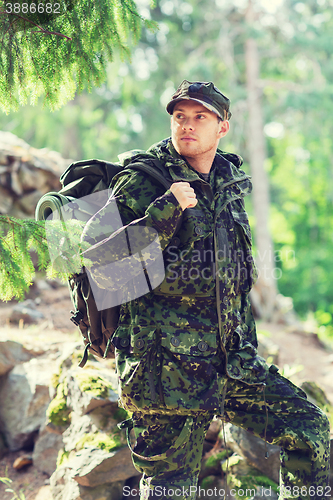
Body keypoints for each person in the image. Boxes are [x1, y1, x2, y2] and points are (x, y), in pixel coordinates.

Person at [82, 81, 330, 500]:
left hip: (232, 367)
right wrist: (165, 210)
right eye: (180, 116)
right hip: (165, 375)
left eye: (200, 117)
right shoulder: (143, 181)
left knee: (310, 430)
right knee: (170, 490)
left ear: (223, 128)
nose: (188, 126)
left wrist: (246, 349)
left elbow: (235, 284)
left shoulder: (228, 184)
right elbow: (99, 268)